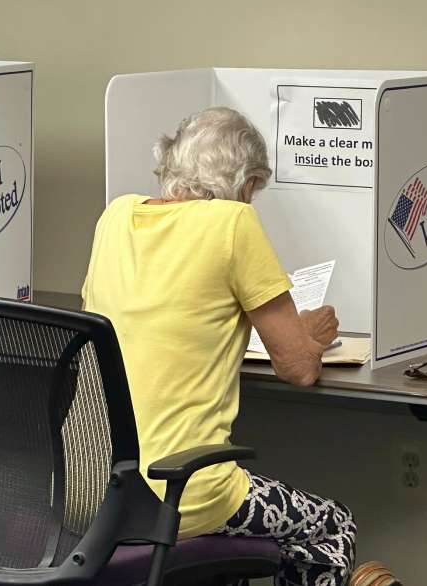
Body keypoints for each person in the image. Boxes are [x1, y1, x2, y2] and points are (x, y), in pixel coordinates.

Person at [81, 107, 365, 585]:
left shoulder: (115, 217)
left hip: (89, 484)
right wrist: (310, 339)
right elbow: (298, 369)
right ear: (246, 183)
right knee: (330, 526)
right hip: (178, 490)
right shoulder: (233, 223)